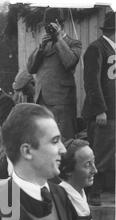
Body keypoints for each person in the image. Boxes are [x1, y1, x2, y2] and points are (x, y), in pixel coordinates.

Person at [27, 8, 82, 140]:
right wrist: (40, 47)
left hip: (61, 101)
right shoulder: (44, 44)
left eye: (51, 25)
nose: (48, 29)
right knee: (43, 139)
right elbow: (30, 68)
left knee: (64, 139)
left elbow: (69, 62)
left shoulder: (73, 43)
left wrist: (58, 38)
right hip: (41, 100)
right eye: (47, 26)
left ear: (60, 24)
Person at [82, 11, 116, 206]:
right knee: (99, 153)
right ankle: (92, 192)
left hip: (113, 111)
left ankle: (102, 190)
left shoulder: (112, 49)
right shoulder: (96, 48)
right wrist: (99, 109)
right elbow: (91, 82)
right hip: (103, 113)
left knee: (110, 152)